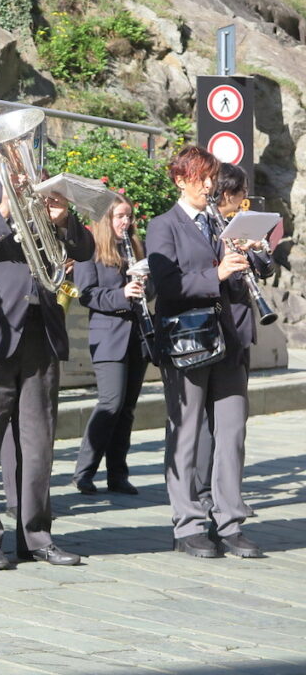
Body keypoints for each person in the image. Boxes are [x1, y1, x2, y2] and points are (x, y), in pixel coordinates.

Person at [0, 137, 93, 570]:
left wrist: (64, 221)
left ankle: (36, 535)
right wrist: (5, 210)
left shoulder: (44, 188)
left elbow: (83, 251)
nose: (22, 154)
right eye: (14, 147)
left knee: (39, 444)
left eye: (26, 145)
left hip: (40, 326)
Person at [147, 148, 266, 559]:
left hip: (230, 338)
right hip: (188, 341)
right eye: (201, 178)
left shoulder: (220, 221)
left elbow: (257, 268)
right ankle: (189, 524)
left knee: (232, 434)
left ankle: (230, 520)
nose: (209, 185)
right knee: (185, 434)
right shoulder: (164, 226)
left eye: (211, 177)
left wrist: (254, 252)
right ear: (181, 180)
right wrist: (217, 273)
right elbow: (167, 285)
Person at [193, 162, 274, 516]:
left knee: (231, 423)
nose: (244, 202)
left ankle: (227, 495)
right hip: (209, 331)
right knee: (204, 423)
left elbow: (264, 269)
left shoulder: (234, 227)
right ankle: (201, 492)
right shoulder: (205, 227)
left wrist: (260, 249)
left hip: (238, 331)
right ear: (226, 194)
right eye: (241, 195)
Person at [72, 194, 150, 496]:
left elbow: (150, 289)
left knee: (127, 409)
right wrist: (122, 294)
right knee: (111, 403)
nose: (126, 222)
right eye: (120, 216)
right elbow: (86, 294)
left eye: (129, 216)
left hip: (136, 336)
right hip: (108, 336)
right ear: (107, 219)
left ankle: (118, 474)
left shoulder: (134, 248)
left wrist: (144, 282)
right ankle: (84, 472)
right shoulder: (89, 251)